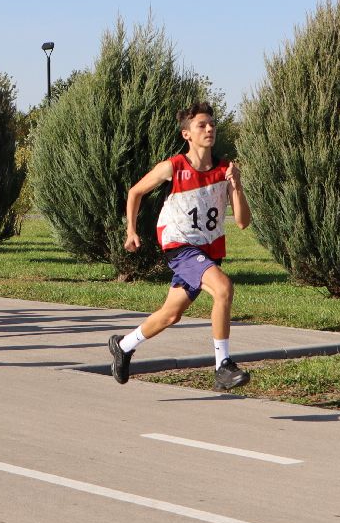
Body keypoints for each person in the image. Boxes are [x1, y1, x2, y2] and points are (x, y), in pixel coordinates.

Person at [109, 102, 254, 391]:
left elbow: (242, 222)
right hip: (180, 246)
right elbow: (135, 192)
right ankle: (223, 366)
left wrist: (236, 184)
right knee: (223, 288)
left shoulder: (225, 170)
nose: (210, 129)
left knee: (171, 314)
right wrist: (131, 230)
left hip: (208, 250)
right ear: (187, 134)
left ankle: (123, 346)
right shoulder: (173, 167)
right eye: (202, 125)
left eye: (212, 124)